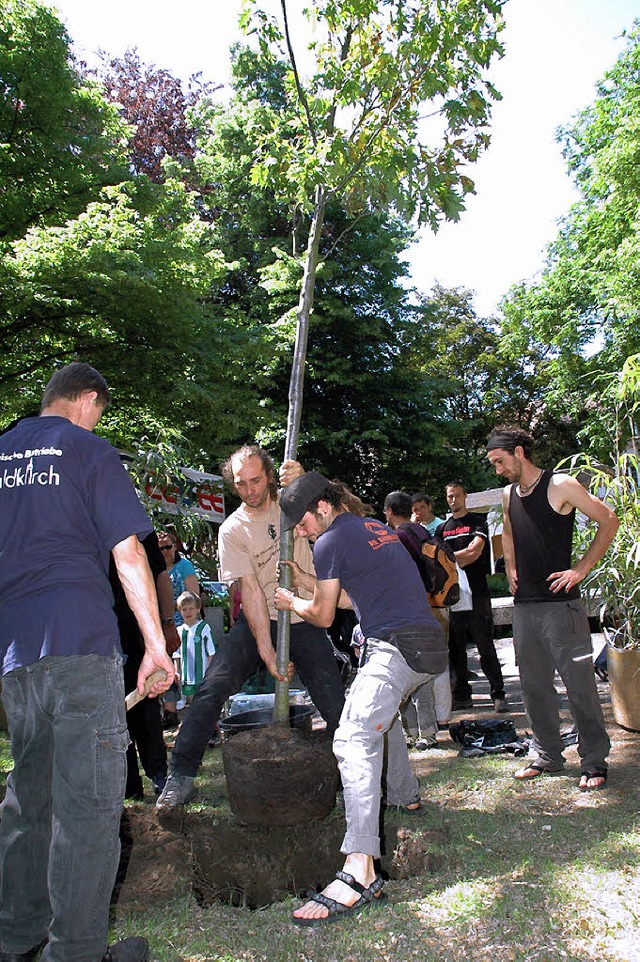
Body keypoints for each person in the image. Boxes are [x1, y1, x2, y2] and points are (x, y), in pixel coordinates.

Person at [0, 362, 174, 962]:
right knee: (89, 808)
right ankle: (73, 952)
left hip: (17, 660)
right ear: (89, 401)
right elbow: (127, 552)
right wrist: (154, 645)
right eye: (101, 410)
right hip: (81, 646)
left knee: (28, 799)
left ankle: (15, 940)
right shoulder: (89, 450)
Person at [274, 472, 448, 925]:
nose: (302, 532)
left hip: (397, 647)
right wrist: (311, 581)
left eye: (303, 523)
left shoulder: (330, 539)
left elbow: (323, 615)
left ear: (323, 508)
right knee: (375, 721)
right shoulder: (371, 529)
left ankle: (359, 871)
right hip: (426, 642)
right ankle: (406, 795)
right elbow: (358, 597)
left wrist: (292, 601)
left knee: (352, 737)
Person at [156, 446, 345, 810]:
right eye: (241, 483)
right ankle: (179, 777)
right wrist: (266, 650)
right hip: (260, 619)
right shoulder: (232, 530)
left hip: (304, 616)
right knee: (212, 688)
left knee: (333, 700)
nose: (249, 490)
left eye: (256, 480)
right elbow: (253, 594)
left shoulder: (291, 504)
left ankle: (345, 778)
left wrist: (303, 482)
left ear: (271, 475)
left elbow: (328, 514)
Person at [486, 425, 619, 790]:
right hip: (525, 607)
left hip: (562, 608)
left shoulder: (560, 485)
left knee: (579, 687)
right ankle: (547, 754)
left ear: (518, 452)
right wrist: (510, 567)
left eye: (500, 461)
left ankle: (594, 761)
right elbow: (509, 532)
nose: (497, 469)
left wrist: (581, 568)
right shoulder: (508, 494)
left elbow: (609, 520)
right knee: (534, 687)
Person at [111, 532, 179, 800]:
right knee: (113, 712)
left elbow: (161, 578)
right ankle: (128, 788)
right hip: (100, 635)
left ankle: (160, 776)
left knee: (147, 705)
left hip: (139, 633)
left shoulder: (143, 532)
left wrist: (167, 623)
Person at [383, 491, 451, 749]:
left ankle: (420, 733)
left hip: (410, 611)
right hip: (433, 606)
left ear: (389, 511)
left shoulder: (399, 537)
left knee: (413, 673)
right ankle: (424, 732)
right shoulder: (421, 531)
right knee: (425, 671)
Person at [436, 482, 509, 713]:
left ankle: (498, 694)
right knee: (455, 648)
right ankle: (461, 697)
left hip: (477, 593)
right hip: (453, 596)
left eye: (457, 495)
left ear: (465, 496)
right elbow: (437, 560)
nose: (454, 500)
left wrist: (449, 558)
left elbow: (474, 552)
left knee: (485, 645)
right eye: (450, 497)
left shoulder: (479, 521)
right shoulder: (442, 529)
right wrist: (458, 557)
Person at [156, 529, 200, 728]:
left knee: (188, 670)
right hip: (160, 628)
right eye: (160, 548)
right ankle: (170, 711)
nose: (165, 551)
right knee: (168, 670)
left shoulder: (185, 566)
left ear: (175, 547)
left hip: (182, 625)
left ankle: (195, 711)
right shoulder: (153, 570)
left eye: (168, 546)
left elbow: (193, 595)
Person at [174, 591, 216, 702]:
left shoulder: (203, 627)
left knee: (203, 700)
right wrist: (177, 671)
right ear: (180, 611)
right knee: (191, 701)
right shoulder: (179, 631)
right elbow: (177, 654)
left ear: (198, 609)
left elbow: (210, 652)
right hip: (187, 675)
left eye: (191, 608)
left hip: (202, 673)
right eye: (184, 609)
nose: (188, 612)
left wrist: (210, 672)